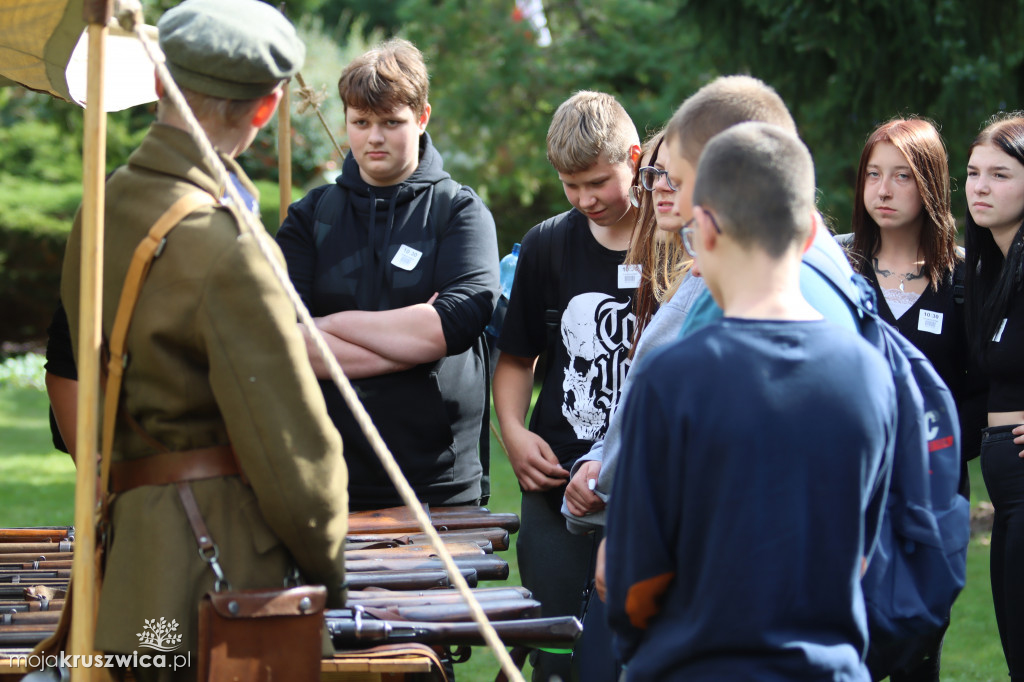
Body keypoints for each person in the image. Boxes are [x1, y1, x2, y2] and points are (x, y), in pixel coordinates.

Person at [59, 1, 349, 678]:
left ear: (160, 84)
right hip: (221, 592)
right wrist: (330, 568)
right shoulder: (227, 248)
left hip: (133, 583)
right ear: (267, 109)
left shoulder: (98, 209)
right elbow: (292, 457)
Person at [605, 121, 894, 682]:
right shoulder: (869, 371)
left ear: (705, 230)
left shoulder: (672, 378)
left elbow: (634, 577)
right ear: (811, 234)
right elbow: (862, 555)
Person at [276, 38, 499, 511]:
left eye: (391, 122)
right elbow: (279, 343)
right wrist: (410, 340)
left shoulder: (460, 211)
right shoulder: (308, 217)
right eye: (360, 122)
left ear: (422, 118)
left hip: (440, 485)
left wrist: (325, 326)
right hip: (328, 477)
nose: (373, 138)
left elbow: (454, 324)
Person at [493, 90, 640, 681]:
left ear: (635, 156)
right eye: (569, 185)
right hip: (554, 484)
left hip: (646, 487)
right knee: (553, 650)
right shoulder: (549, 242)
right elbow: (515, 357)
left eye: (599, 182)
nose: (585, 200)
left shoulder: (676, 241)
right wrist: (512, 434)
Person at [844, 118, 983, 680]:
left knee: (917, 650)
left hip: (930, 497)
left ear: (928, 182)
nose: (883, 189)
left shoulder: (967, 277)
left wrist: (929, 445)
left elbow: (983, 390)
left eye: (901, 176)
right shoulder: (836, 271)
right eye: (873, 174)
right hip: (847, 496)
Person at [964, 112, 1024, 682]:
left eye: (1000, 175)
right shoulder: (992, 270)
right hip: (1008, 501)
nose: (980, 186)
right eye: (974, 172)